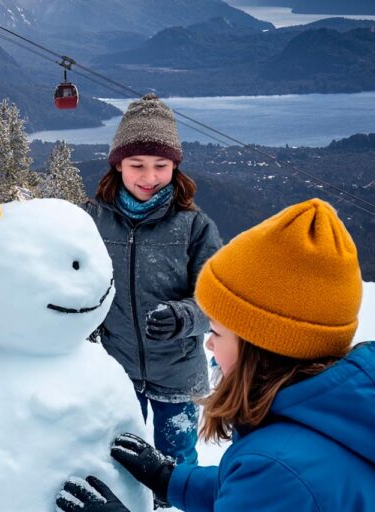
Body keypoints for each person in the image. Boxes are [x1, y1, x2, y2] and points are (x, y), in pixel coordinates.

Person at [57, 198, 375, 512]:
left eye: (217, 332)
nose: (209, 344)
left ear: (261, 346)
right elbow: (257, 493)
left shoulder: (279, 467)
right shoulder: (358, 423)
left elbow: (272, 481)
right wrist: (171, 479)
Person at [83, 93, 222, 475]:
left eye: (160, 165)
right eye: (137, 165)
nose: (149, 177)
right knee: (120, 459)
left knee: (176, 468)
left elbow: (216, 300)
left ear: (175, 166)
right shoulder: (93, 220)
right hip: (117, 368)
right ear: (118, 166)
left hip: (177, 374)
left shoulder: (194, 227)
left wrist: (184, 317)